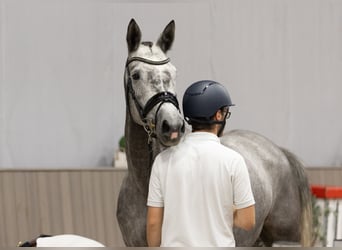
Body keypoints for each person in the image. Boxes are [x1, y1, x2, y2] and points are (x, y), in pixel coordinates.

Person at [146, 80, 255, 247]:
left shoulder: (162, 160)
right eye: (225, 113)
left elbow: (153, 223)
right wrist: (227, 210)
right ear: (218, 115)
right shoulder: (234, 160)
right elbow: (248, 221)